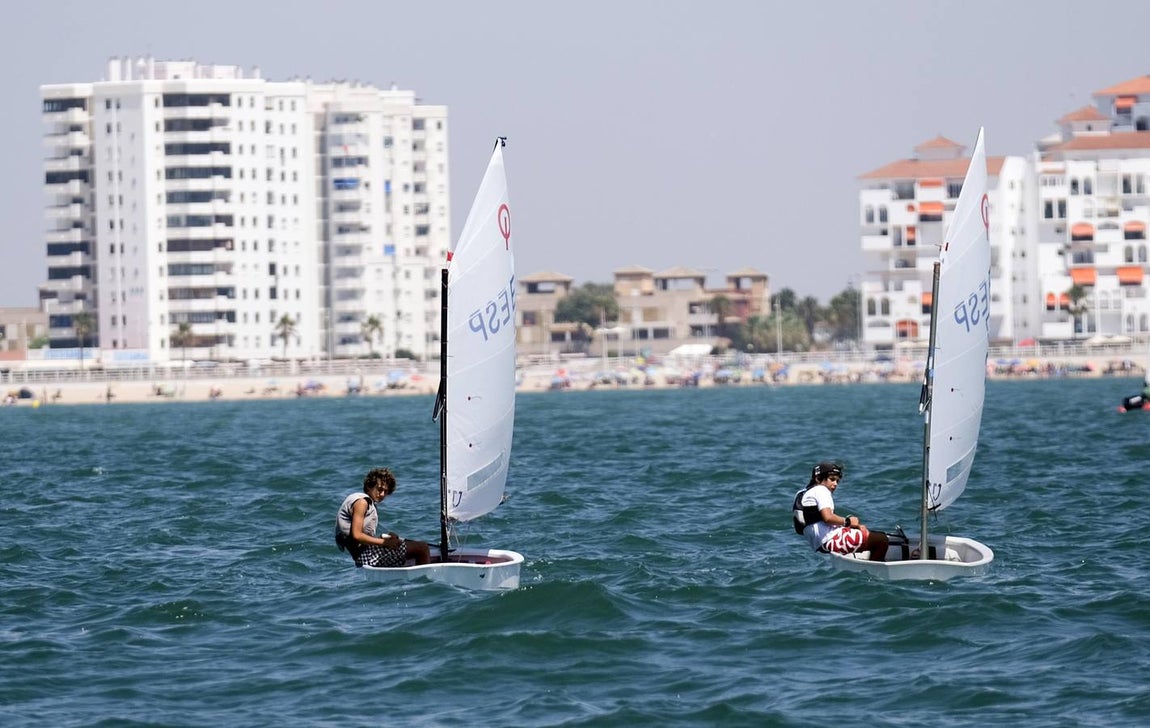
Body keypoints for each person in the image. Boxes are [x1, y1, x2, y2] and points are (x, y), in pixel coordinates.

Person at [792, 461, 888, 562]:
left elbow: (799, 529)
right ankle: (875, 568)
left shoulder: (801, 494)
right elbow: (828, 518)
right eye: (832, 479)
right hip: (830, 540)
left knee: (868, 535)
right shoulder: (821, 490)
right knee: (882, 539)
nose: (835, 484)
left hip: (818, 543)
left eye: (837, 481)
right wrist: (848, 522)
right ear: (818, 479)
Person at [334, 467, 431, 567]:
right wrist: (384, 543)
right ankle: (424, 576)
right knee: (422, 548)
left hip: (364, 554)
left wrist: (384, 539)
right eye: (380, 489)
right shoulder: (362, 503)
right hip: (366, 557)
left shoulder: (360, 499)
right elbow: (357, 535)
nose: (382, 494)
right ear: (369, 486)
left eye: (386, 491)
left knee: (399, 542)